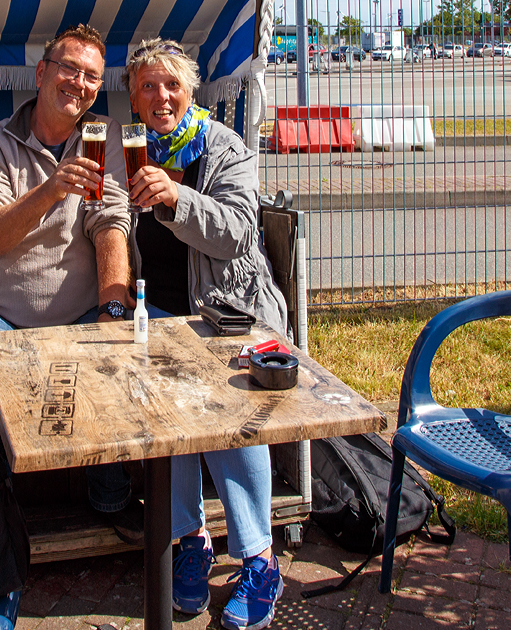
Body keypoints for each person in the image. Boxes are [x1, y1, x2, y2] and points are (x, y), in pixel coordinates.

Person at [123, 38, 289, 630]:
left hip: (227, 313)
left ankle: (259, 557)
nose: (160, 96)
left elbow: (239, 234)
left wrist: (176, 199)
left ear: (191, 91)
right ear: (135, 99)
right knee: (163, 417)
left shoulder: (224, 148)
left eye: (171, 84)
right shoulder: (131, 149)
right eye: (148, 85)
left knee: (226, 416)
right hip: (159, 316)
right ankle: (189, 539)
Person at [0, 23, 143, 541]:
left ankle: (111, 495)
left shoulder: (100, 137)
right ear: (41, 73)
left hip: (80, 310)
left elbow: (111, 229)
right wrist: (51, 191)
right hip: (4, 314)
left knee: (114, 354)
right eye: (69, 69)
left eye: (91, 77)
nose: (79, 83)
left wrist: (112, 311)